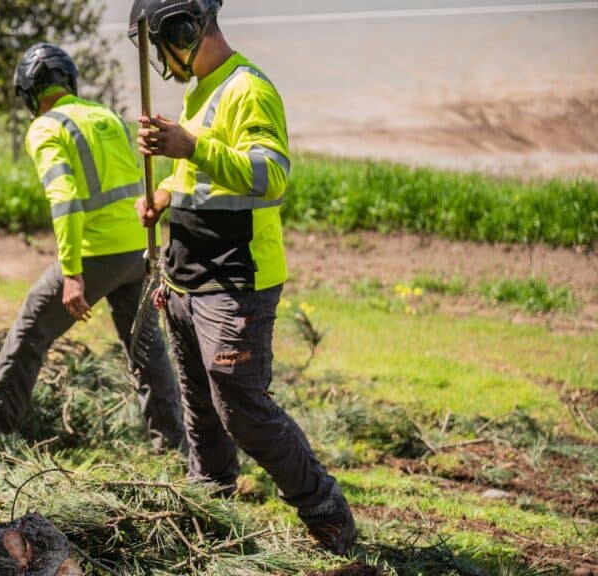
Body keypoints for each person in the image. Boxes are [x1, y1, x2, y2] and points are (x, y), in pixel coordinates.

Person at [127, 0, 356, 554]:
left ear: (183, 30)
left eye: (160, 44)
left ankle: (327, 511)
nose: (158, 59)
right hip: (185, 277)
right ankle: (210, 513)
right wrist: (160, 196)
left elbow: (271, 175)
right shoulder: (199, 89)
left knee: (240, 409)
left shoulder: (247, 88)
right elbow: (196, 175)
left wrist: (190, 144)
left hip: (235, 279)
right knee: (200, 408)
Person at [0, 43, 185, 452]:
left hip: (97, 254)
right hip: (140, 249)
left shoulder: (46, 127)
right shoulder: (106, 116)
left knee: (28, 336)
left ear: (28, 94)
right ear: (70, 81)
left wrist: (72, 272)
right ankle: (172, 445)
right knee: (146, 351)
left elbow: (65, 199)